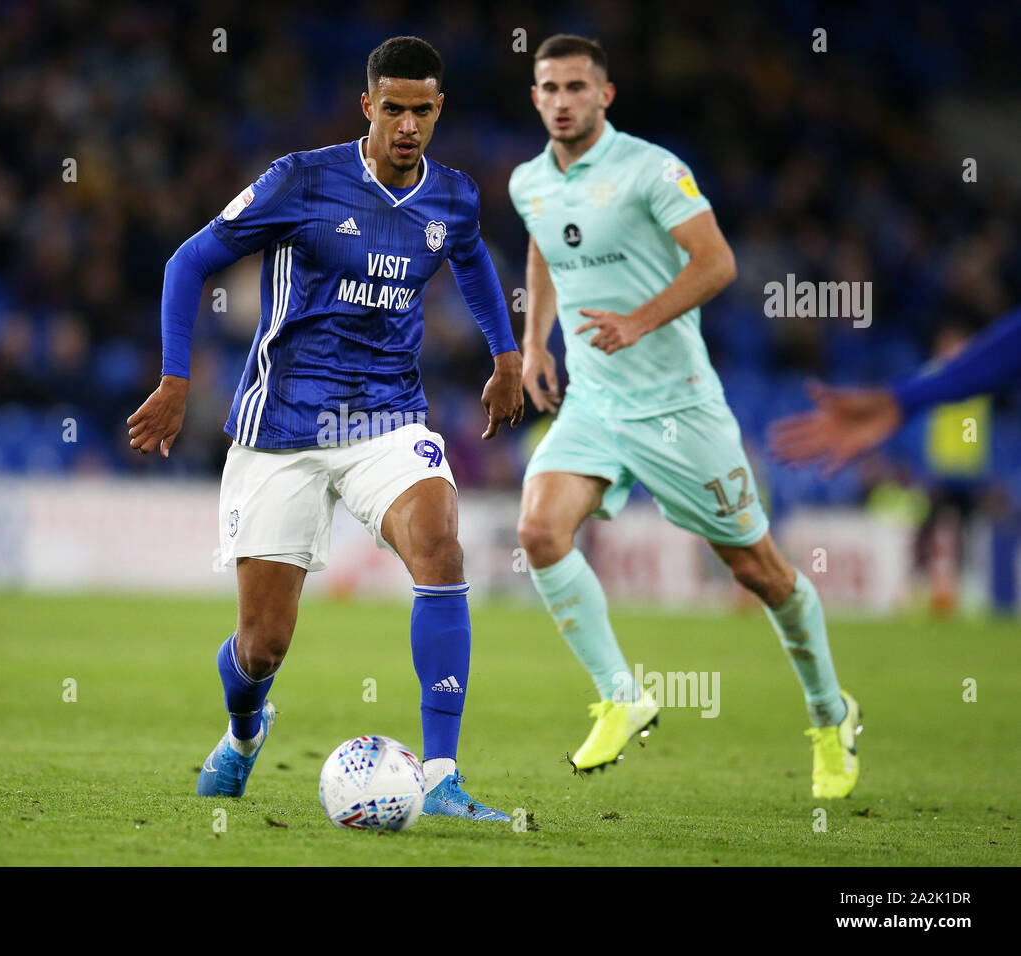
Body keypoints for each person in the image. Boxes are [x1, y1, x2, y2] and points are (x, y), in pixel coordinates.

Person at [127, 36, 524, 819]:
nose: (408, 125)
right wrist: (176, 379)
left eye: (423, 110)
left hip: (386, 416)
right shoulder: (302, 180)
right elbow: (186, 263)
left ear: (438, 110)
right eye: (394, 108)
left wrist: (505, 354)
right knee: (261, 646)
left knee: (440, 544)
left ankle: (441, 774)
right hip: (284, 424)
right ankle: (244, 732)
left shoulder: (453, 197)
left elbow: (472, 258)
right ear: (367, 105)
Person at [509, 34, 860, 798]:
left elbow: (717, 262)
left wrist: (638, 320)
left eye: (577, 87)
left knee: (758, 571)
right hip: (595, 402)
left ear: (605, 95)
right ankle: (621, 696)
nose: (563, 101)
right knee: (538, 531)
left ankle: (831, 715)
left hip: (677, 406)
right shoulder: (528, 181)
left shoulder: (652, 169)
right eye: (550, 88)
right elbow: (543, 250)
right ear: (535, 97)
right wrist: (535, 341)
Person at [770, 306, 1021, 475]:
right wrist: (900, 400)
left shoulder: (982, 405)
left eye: (962, 346)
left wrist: (901, 399)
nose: (954, 353)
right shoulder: (923, 401)